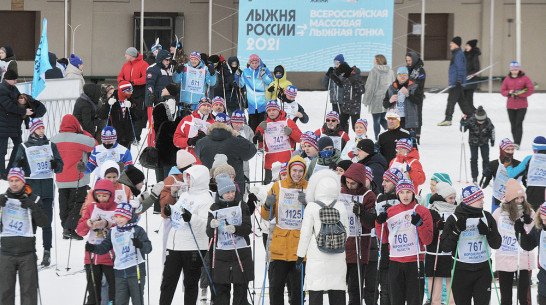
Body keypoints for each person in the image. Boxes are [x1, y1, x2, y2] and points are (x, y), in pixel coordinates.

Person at [160, 165, 213, 305]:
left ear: (199, 179)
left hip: (193, 247)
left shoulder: (206, 199)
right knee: (167, 283)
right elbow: (178, 212)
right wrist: (170, 210)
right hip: (175, 245)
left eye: (191, 178)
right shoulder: (185, 195)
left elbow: (207, 225)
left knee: (190, 284)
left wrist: (192, 218)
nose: (187, 181)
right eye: (187, 178)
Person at [14, 118, 64, 266]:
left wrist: (56, 165)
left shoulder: (50, 145)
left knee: (47, 222)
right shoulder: (24, 146)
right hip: (31, 190)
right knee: (31, 223)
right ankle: (31, 252)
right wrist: (21, 164)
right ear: (32, 130)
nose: (42, 130)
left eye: (43, 128)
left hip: (47, 189)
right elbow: (16, 169)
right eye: (38, 128)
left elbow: (60, 166)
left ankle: (47, 251)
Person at [439, 185, 501, 304]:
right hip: (461, 270)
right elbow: (445, 247)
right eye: (479, 199)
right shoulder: (454, 218)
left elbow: (497, 244)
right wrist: (456, 231)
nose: (483, 201)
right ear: (469, 201)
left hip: (483, 269)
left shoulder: (487, 217)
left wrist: (488, 232)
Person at [375, 179, 433, 305]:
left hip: (414, 262)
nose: (405, 196)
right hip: (395, 262)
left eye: (408, 192)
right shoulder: (390, 212)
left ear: (413, 193)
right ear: (397, 194)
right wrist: (379, 223)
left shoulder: (422, 211)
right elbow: (384, 239)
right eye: (402, 192)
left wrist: (420, 224)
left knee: (414, 300)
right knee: (396, 300)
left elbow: (428, 240)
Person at [296, 169, 349, 305]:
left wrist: (300, 255)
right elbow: (346, 232)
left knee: (315, 290)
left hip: (316, 256)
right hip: (338, 256)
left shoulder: (312, 207)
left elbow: (306, 234)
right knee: (337, 291)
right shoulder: (340, 206)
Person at [260, 156, 308, 305]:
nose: (297, 174)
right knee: (276, 288)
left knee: (297, 289)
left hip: (299, 246)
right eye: (294, 170)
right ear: (289, 170)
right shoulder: (278, 186)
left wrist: (306, 203)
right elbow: (267, 216)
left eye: (300, 171)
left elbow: (315, 216)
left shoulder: (308, 187)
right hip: (280, 244)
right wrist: (267, 205)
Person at [85, 202, 152, 305]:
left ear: (128, 217)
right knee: (120, 302)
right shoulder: (113, 231)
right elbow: (104, 248)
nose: (118, 220)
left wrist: (140, 244)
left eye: (122, 217)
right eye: (116, 217)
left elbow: (148, 248)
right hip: (120, 273)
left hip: (136, 271)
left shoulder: (137, 230)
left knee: (137, 301)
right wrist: (93, 248)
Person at [0, 167, 49, 305]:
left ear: (23, 181)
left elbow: (44, 222)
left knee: (29, 292)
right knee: (5, 292)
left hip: (27, 253)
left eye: (17, 180)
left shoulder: (34, 199)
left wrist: (33, 207)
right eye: (11, 180)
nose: (14, 184)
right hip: (6, 253)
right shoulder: (3, 199)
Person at [206, 174, 253, 305]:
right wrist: (212, 226)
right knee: (221, 293)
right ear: (220, 193)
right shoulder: (214, 208)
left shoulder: (241, 205)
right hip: (221, 255)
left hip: (240, 252)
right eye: (227, 192)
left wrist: (236, 229)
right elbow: (209, 233)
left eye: (232, 191)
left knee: (240, 292)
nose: (230, 195)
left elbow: (248, 228)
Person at [50, 114, 97, 239]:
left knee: (63, 204)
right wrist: (82, 131)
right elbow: (94, 143)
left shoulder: (54, 139)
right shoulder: (80, 138)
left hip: (61, 178)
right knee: (77, 204)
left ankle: (65, 227)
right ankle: (69, 228)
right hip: (78, 178)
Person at [494, 179, 535, 305]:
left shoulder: (530, 212)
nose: (519, 201)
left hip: (523, 257)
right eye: (516, 198)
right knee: (506, 296)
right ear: (509, 199)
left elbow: (533, 236)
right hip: (505, 256)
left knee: (523, 297)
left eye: (522, 198)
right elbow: (494, 232)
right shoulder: (499, 212)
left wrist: (527, 224)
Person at [76, 178, 117, 305]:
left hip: (111, 257)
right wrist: (88, 223)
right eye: (98, 195)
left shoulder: (117, 208)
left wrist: (107, 224)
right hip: (92, 256)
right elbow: (80, 231)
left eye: (104, 196)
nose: (101, 198)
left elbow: (123, 227)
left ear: (111, 195)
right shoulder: (92, 207)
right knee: (93, 292)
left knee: (113, 292)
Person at [342, 163, 377, 305]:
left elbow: (371, 224)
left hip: (359, 247)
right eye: (348, 182)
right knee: (338, 286)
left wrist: (362, 212)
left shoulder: (368, 196)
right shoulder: (340, 192)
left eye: (353, 184)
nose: (350, 186)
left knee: (355, 288)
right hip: (341, 246)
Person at [195, 119, 257, 192]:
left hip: (210, 186)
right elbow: (251, 151)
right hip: (233, 186)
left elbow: (197, 154)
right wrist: (239, 136)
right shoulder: (236, 141)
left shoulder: (202, 142)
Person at [370, 168, 403, 305]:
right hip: (383, 249)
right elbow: (374, 222)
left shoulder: (404, 198)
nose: (383, 184)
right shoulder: (380, 198)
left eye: (387, 181)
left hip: (400, 251)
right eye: (383, 180)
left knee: (397, 290)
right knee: (384, 290)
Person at [254, 100, 302, 184]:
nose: (271, 112)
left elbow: (300, 139)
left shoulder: (288, 122)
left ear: (278, 110)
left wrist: (291, 132)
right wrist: (260, 130)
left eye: (274, 110)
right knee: (269, 189)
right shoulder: (264, 124)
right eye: (269, 110)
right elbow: (259, 145)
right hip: (270, 163)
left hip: (287, 160)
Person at [425, 181, 457, 305]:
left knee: (452, 292)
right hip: (435, 253)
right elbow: (428, 229)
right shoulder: (433, 210)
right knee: (435, 293)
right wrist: (436, 225)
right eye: (450, 198)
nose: (453, 201)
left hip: (451, 253)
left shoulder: (456, 211)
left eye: (454, 198)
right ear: (443, 198)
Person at [0, 71, 34, 179]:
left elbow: (17, 101)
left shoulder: (13, 88)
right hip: (3, 125)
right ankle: (1, 172)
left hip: (14, 125)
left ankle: (9, 169)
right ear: (7, 79)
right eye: (14, 79)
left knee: (19, 146)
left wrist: (22, 100)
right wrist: (23, 111)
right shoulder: (2, 89)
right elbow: (9, 106)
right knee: (2, 150)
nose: (15, 81)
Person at [438, 36, 474, 126]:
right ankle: (471, 116)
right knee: (461, 101)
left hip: (457, 82)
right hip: (456, 82)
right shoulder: (456, 53)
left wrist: (458, 79)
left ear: (456, 44)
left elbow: (460, 68)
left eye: (452, 43)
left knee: (451, 100)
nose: (450, 44)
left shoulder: (458, 54)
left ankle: (448, 119)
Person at [480, 138, 521, 213]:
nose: (510, 152)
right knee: (495, 220)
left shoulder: (518, 164)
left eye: (512, 149)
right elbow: (485, 182)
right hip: (497, 198)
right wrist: (485, 178)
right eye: (507, 149)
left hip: (513, 200)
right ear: (501, 150)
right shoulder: (493, 164)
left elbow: (526, 181)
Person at [97, 81, 143, 148]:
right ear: (122, 91)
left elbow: (139, 117)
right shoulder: (112, 100)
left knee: (125, 156)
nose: (131, 93)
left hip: (127, 136)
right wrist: (107, 105)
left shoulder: (131, 100)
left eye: (131, 91)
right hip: (114, 136)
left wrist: (132, 107)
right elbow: (101, 115)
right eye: (129, 91)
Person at [500, 61, 535, 148]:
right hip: (510, 106)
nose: (514, 71)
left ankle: (517, 142)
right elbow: (503, 91)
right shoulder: (507, 79)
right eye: (513, 69)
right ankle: (515, 140)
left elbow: (530, 90)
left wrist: (520, 94)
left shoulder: (525, 78)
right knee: (513, 124)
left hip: (522, 106)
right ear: (510, 70)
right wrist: (509, 92)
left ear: (519, 69)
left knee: (518, 123)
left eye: (516, 69)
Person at [517, 202, 546, 305]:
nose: (544, 222)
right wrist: (521, 232)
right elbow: (528, 245)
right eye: (543, 219)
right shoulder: (539, 228)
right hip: (544, 277)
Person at [118, 47, 149, 141]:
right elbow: (120, 76)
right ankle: (127, 135)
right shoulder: (125, 65)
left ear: (131, 55)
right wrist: (122, 82)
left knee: (138, 115)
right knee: (127, 114)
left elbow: (145, 78)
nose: (125, 56)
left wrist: (133, 82)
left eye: (126, 54)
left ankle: (136, 136)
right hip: (127, 93)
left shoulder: (143, 64)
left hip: (139, 92)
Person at [506, 136, 546, 210]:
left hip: (532, 193)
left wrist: (508, 165)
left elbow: (512, 174)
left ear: (534, 149)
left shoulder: (530, 159)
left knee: (531, 218)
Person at [153, 83, 182, 183]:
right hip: (173, 147)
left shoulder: (161, 106)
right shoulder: (178, 106)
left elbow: (160, 126)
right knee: (168, 180)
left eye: (164, 88)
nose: (162, 89)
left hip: (162, 146)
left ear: (169, 91)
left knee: (163, 181)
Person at [173, 97, 215, 162]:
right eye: (204, 105)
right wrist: (189, 141)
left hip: (205, 160)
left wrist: (206, 139)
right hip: (187, 159)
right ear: (199, 106)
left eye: (208, 106)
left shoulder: (214, 123)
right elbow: (176, 140)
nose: (206, 108)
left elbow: (217, 144)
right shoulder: (187, 120)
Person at [362, 54, 394, 140]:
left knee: (376, 120)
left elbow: (371, 87)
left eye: (374, 60)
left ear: (377, 61)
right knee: (382, 118)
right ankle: (392, 133)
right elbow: (392, 85)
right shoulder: (390, 71)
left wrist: (366, 100)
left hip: (376, 99)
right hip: (386, 99)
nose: (373, 61)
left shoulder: (374, 71)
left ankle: (377, 138)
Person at [238, 54, 273, 131]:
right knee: (252, 127)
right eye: (252, 63)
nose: (254, 65)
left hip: (263, 104)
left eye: (256, 63)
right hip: (252, 105)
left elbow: (270, 83)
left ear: (259, 62)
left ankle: (261, 142)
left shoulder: (264, 70)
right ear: (250, 63)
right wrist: (237, 76)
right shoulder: (246, 71)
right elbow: (241, 84)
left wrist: (264, 76)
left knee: (262, 127)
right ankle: (253, 142)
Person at [461, 106, 495, 185]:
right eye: (479, 120)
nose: (481, 122)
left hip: (484, 143)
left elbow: (492, 130)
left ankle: (486, 176)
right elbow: (463, 129)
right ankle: (474, 177)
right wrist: (462, 123)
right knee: (474, 159)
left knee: (486, 159)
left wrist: (492, 140)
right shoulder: (471, 120)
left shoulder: (488, 121)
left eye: (482, 120)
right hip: (473, 143)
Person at [383, 67, 420, 132]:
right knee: (395, 140)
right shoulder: (391, 88)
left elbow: (418, 101)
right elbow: (385, 105)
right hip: (395, 119)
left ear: (408, 76)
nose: (402, 76)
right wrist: (390, 101)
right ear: (397, 76)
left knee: (408, 140)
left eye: (405, 74)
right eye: (400, 74)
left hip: (409, 119)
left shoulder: (414, 87)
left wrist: (408, 95)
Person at [338, 61, 364, 132]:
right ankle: (343, 140)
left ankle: (359, 140)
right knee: (341, 125)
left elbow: (362, 90)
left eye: (342, 73)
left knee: (355, 127)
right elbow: (341, 85)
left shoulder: (356, 76)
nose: (342, 75)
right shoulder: (345, 77)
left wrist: (354, 83)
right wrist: (335, 79)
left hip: (354, 107)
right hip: (345, 106)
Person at [406, 51, 426, 143]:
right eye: (407, 60)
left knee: (417, 115)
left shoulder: (420, 70)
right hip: (407, 96)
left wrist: (411, 89)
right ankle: (409, 134)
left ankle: (417, 135)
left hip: (417, 96)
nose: (408, 62)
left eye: (410, 60)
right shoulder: (406, 69)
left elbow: (419, 84)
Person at [463, 40, 480, 112]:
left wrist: (470, 75)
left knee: (469, 101)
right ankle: (469, 114)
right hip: (464, 80)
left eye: (468, 46)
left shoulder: (474, 56)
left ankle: (474, 114)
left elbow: (476, 68)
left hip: (470, 81)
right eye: (466, 45)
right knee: (464, 100)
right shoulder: (465, 55)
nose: (466, 47)